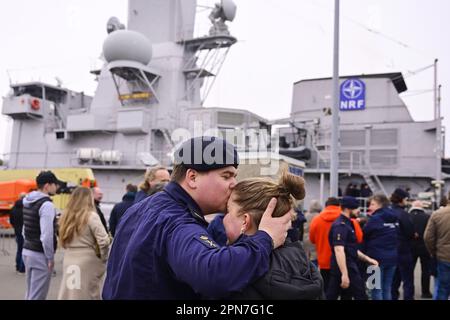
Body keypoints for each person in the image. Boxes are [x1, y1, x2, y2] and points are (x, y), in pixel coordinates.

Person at [102, 136, 293, 299]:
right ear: (192, 177)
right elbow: (214, 274)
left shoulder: (139, 209)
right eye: (226, 176)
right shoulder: (177, 222)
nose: (234, 184)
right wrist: (265, 238)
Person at [223, 172, 324, 299]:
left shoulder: (237, 271)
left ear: (245, 221)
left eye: (227, 210)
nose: (224, 217)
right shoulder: (301, 259)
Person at [57, 187, 111, 300]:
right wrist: (103, 256)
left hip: (69, 257)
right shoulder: (91, 216)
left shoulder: (66, 216)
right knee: (88, 292)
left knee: (70, 292)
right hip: (88, 258)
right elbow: (104, 240)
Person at [326, 196, 378, 300]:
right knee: (360, 295)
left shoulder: (348, 223)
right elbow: (339, 250)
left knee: (342, 295)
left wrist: (368, 259)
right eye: (356, 208)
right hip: (345, 267)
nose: (359, 211)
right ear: (348, 209)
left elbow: (350, 248)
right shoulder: (340, 225)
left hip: (348, 265)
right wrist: (345, 274)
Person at [309, 197, 363, 294]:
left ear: (325, 206)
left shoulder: (316, 220)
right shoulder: (349, 220)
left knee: (327, 293)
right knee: (347, 293)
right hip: (345, 263)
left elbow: (312, 240)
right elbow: (358, 239)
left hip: (325, 262)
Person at [22, 171, 61, 300]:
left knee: (30, 293)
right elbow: (47, 235)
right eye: (55, 184)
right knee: (38, 296)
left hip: (27, 250)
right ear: (47, 186)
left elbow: (24, 229)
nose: (57, 187)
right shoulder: (47, 205)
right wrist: (50, 257)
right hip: (40, 254)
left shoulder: (27, 200)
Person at [363, 194, 398, 300]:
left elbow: (364, 234)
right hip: (392, 258)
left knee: (375, 289)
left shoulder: (374, 219)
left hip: (375, 259)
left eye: (372, 204)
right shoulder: (394, 217)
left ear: (380, 205)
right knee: (387, 288)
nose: (370, 207)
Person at [390, 188, 415, 300]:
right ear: (401, 200)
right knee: (407, 281)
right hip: (404, 251)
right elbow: (410, 232)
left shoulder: (388, 212)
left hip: (391, 251)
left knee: (393, 281)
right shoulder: (404, 214)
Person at [424, 194, 450, 300]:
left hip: (443, 256)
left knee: (442, 289)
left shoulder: (437, 214)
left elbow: (427, 237)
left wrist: (433, 252)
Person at [409, 200, 432, 298]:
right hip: (424, 247)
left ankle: (409, 292)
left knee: (409, 271)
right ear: (422, 207)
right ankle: (425, 292)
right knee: (426, 271)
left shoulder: (407, 216)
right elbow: (430, 233)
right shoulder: (427, 217)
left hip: (410, 247)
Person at [9, 192, 27, 274]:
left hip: (17, 231)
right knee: (25, 250)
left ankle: (17, 267)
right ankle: (22, 268)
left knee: (19, 249)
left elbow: (11, 221)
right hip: (26, 231)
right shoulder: (27, 208)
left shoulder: (13, 208)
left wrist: (15, 227)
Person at [303, 200, 322, 265]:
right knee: (314, 257)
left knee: (307, 256)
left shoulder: (306, 215)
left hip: (305, 238)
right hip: (315, 238)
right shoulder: (320, 216)